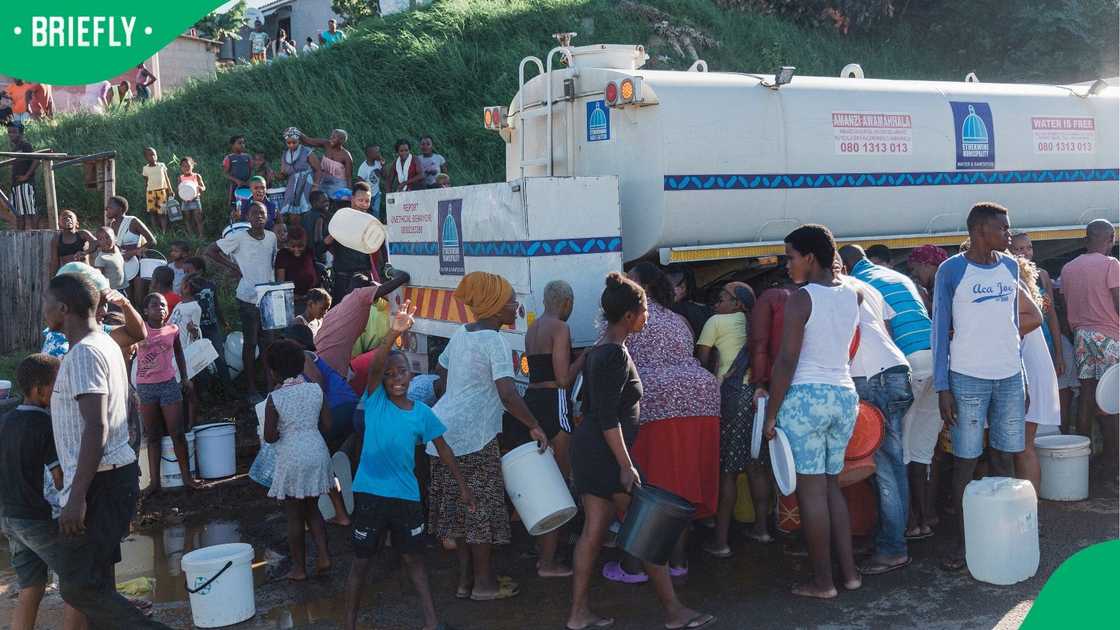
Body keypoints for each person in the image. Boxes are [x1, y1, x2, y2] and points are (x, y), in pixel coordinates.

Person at [567, 272, 714, 630]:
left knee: (595, 532)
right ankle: (674, 612)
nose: (648, 316)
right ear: (629, 315)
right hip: (604, 454)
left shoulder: (604, 347)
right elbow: (607, 418)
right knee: (649, 529)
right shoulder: (614, 354)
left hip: (592, 450)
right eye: (645, 309)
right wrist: (626, 465)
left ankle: (578, 614)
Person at [42, 273, 170, 628]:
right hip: (111, 477)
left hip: (100, 483)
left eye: (46, 302)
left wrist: (76, 498)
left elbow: (95, 426)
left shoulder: (85, 353)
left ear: (63, 308)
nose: (43, 309)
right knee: (98, 580)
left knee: (78, 585)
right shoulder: (104, 343)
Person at [344, 301, 475, 630]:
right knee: (361, 563)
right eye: (389, 375)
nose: (395, 378)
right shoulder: (375, 401)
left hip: (406, 497)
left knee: (414, 560)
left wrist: (462, 487)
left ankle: (431, 622)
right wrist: (394, 332)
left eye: (401, 371)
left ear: (411, 374)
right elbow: (376, 365)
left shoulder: (422, 413)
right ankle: (348, 624)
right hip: (370, 494)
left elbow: (443, 450)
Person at [932, 202, 1041, 572]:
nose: (1009, 235)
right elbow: (939, 331)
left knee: (1004, 457)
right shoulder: (951, 270)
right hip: (967, 378)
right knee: (965, 460)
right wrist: (943, 387)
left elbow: (1013, 326)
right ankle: (965, 543)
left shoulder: (1009, 267)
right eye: (1003, 228)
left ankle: (1003, 536)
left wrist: (1022, 375)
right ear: (980, 230)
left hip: (1009, 377)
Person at [430, 272, 548, 601]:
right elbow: (508, 393)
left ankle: (465, 581)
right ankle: (484, 585)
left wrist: (458, 399)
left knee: (461, 510)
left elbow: (440, 374)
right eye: (511, 301)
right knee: (479, 510)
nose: (515, 307)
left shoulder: (461, 333)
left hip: (442, 434)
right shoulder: (495, 341)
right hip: (474, 438)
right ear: (495, 307)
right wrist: (534, 425)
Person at [760, 224, 863, 599]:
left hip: (806, 399)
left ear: (809, 257)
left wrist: (771, 414)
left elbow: (787, 360)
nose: (786, 264)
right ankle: (849, 575)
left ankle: (823, 582)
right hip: (844, 396)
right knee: (832, 485)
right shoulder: (854, 294)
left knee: (811, 493)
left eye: (790, 257)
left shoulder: (801, 299)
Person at [614, 262, 720, 582]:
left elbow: (613, 361)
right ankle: (678, 563)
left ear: (642, 286)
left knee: (651, 489)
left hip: (655, 405)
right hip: (702, 401)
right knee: (682, 486)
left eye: (629, 279)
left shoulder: (629, 317)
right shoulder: (678, 319)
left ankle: (635, 568)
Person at [841, 243, 938, 543]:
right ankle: (925, 519)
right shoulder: (897, 276)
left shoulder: (856, 283)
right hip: (936, 359)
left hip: (906, 363)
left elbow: (884, 332)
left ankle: (907, 526)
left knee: (899, 452)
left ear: (845, 266)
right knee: (922, 450)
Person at [0, 353, 88, 630]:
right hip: (38, 518)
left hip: (10, 517)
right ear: (39, 390)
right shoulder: (46, 425)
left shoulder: (6, 420)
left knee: (32, 585)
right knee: (78, 580)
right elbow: (58, 478)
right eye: (57, 385)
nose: (61, 391)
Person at [506, 279, 585, 578]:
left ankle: (540, 549)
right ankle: (549, 560)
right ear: (566, 303)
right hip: (555, 401)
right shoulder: (560, 328)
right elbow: (563, 379)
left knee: (540, 479)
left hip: (533, 401)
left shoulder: (533, 328)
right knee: (558, 483)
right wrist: (584, 357)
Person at [842, 270, 914, 575]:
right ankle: (890, 538)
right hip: (896, 370)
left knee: (883, 469)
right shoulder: (866, 287)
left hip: (871, 377)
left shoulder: (832, 290)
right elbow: (885, 330)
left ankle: (893, 549)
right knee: (892, 467)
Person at [697, 282, 771, 557]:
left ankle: (721, 541)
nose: (717, 303)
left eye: (722, 298)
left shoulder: (715, 321)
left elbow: (701, 360)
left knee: (727, 469)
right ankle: (762, 529)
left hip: (731, 396)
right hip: (757, 396)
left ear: (737, 304)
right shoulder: (756, 325)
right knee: (755, 463)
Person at [262, 339, 333, 581]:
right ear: (302, 364)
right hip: (317, 451)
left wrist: (285, 431)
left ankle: (299, 569)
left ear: (273, 372)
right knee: (313, 508)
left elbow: (269, 436)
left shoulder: (275, 398)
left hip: (292, 457)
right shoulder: (315, 389)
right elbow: (328, 424)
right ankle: (324, 556)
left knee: (294, 516)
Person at [1060, 219, 1120, 471]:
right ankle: (1113, 461)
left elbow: (1065, 306)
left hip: (1081, 337)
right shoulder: (1111, 264)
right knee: (1112, 398)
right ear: (1111, 239)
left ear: (1086, 239)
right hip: (1109, 336)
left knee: (1086, 394)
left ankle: (1082, 458)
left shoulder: (1068, 268)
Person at [206, 203, 279, 402]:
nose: (259, 216)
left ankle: (270, 385)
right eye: (255, 213)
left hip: (267, 296)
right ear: (247, 216)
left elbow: (271, 263)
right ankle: (251, 388)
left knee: (269, 342)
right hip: (247, 297)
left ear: (268, 216)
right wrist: (233, 267)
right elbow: (211, 250)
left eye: (262, 213)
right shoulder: (239, 237)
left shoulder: (271, 237)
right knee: (251, 342)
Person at [135, 292, 198, 494]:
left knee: (177, 433)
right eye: (155, 305)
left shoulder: (173, 329)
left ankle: (187, 478)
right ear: (145, 311)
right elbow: (127, 352)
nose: (160, 309)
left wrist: (185, 377)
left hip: (168, 384)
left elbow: (179, 353)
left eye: (163, 305)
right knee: (153, 436)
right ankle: (155, 483)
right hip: (146, 387)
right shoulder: (139, 329)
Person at [1013, 257, 1061, 494]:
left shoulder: (1013, 298)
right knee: (1024, 445)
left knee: (1023, 446)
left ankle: (1029, 506)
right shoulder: (1027, 299)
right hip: (1034, 375)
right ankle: (1030, 506)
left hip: (1027, 377)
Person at [314, 270, 410, 376]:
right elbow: (403, 277)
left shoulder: (340, 307)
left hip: (317, 360)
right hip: (331, 366)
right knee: (383, 354)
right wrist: (390, 271)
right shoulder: (360, 295)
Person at [1012, 233, 1064, 369]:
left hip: (1045, 340)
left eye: (1029, 247)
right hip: (1022, 343)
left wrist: (1059, 354)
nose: (1026, 252)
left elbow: (1051, 315)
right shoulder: (1009, 276)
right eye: (1019, 249)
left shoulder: (1042, 275)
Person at [183, 257, 233, 396]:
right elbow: (184, 307)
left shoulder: (210, 285)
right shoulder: (187, 289)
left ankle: (228, 388)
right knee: (200, 359)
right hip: (196, 329)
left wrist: (223, 321)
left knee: (219, 357)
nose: (186, 275)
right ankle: (206, 391)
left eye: (189, 271)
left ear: (200, 271)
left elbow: (216, 305)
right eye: (184, 272)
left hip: (212, 326)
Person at [276, 226, 319, 313]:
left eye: (300, 246)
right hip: (292, 300)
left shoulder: (309, 251)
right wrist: (289, 296)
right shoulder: (282, 254)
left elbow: (314, 271)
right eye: (293, 246)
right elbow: (281, 281)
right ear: (288, 243)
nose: (296, 249)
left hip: (311, 298)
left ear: (305, 243)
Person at [279, 127, 320, 218]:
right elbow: (283, 173)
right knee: (291, 205)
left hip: (307, 182)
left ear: (299, 141)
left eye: (294, 142)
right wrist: (276, 175)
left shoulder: (307, 152)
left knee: (305, 205)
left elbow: (318, 169)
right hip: (292, 184)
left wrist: (315, 185)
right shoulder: (285, 154)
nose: (291, 145)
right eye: (289, 143)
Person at [664, 265, 712, 341]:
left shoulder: (673, 310)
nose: (666, 289)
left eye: (670, 284)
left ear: (683, 287)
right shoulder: (707, 309)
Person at [8, 122, 39, 230]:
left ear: (21, 133)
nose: (11, 134)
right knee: (19, 214)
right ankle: (20, 237)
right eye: (9, 132)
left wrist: (26, 176)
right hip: (16, 185)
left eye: (14, 132)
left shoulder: (26, 145)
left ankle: (35, 235)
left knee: (31, 212)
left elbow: (36, 160)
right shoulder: (14, 149)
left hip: (26, 184)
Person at [303, 129, 353, 197]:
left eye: (334, 137)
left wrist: (348, 193)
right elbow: (309, 141)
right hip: (323, 178)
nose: (331, 138)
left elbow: (349, 177)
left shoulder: (346, 156)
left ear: (341, 141)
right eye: (331, 136)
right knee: (314, 194)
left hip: (338, 183)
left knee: (337, 198)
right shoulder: (326, 144)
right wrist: (297, 133)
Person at [906, 245, 948, 319]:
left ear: (926, 265)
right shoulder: (934, 287)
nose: (912, 275)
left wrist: (923, 300)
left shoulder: (947, 284)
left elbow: (945, 313)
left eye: (912, 269)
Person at [140, 147, 173, 231]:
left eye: (154, 154)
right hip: (150, 192)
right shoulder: (145, 168)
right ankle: (155, 232)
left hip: (162, 192)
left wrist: (170, 190)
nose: (152, 157)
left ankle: (164, 231)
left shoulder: (161, 165)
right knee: (152, 213)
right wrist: (146, 192)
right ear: (146, 157)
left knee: (162, 212)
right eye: (150, 155)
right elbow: (146, 181)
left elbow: (166, 178)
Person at [177, 156, 207, 236]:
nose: (186, 168)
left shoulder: (196, 176)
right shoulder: (180, 178)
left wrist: (200, 188)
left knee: (198, 218)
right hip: (185, 200)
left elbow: (204, 187)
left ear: (192, 166)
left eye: (188, 166)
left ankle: (201, 235)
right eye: (184, 166)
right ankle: (191, 235)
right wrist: (182, 195)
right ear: (181, 168)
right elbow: (179, 189)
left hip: (195, 199)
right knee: (187, 218)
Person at [91, 227, 127, 292]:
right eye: (100, 239)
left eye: (107, 237)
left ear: (115, 238)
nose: (104, 241)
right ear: (98, 242)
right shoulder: (101, 258)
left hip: (123, 288)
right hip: (112, 292)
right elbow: (97, 277)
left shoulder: (117, 249)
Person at [223, 135, 252, 208]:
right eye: (239, 143)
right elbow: (225, 174)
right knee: (234, 205)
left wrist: (249, 181)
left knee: (248, 204)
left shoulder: (247, 157)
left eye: (243, 143)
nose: (242, 145)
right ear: (232, 145)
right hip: (235, 186)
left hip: (247, 185)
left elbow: (251, 170)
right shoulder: (229, 158)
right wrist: (237, 181)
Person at [356, 144, 384, 215]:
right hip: (367, 194)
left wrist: (383, 164)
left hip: (376, 193)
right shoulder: (363, 168)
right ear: (370, 154)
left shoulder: (378, 163)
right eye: (377, 152)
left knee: (376, 211)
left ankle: (375, 221)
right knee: (366, 211)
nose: (379, 154)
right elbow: (359, 182)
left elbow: (385, 175)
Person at [301, 190, 329, 259]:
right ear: (314, 203)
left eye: (327, 201)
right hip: (318, 255)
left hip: (307, 253)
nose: (327, 204)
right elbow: (318, 239)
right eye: (323, 202)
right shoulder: (319, 217)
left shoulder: (305, 215)